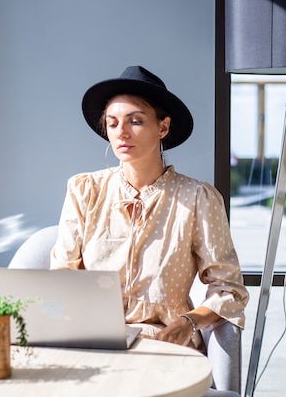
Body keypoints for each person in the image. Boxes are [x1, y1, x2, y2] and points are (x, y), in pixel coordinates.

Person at [50, 66, 248, 349]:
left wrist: (189, 322)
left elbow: (229, 289)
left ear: (163, 127)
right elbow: (62, 275)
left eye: (136, 121)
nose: (122, 133)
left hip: (163, 343)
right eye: (113, 122)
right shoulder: (85, 191)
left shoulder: (197, 198)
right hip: (94, 340)